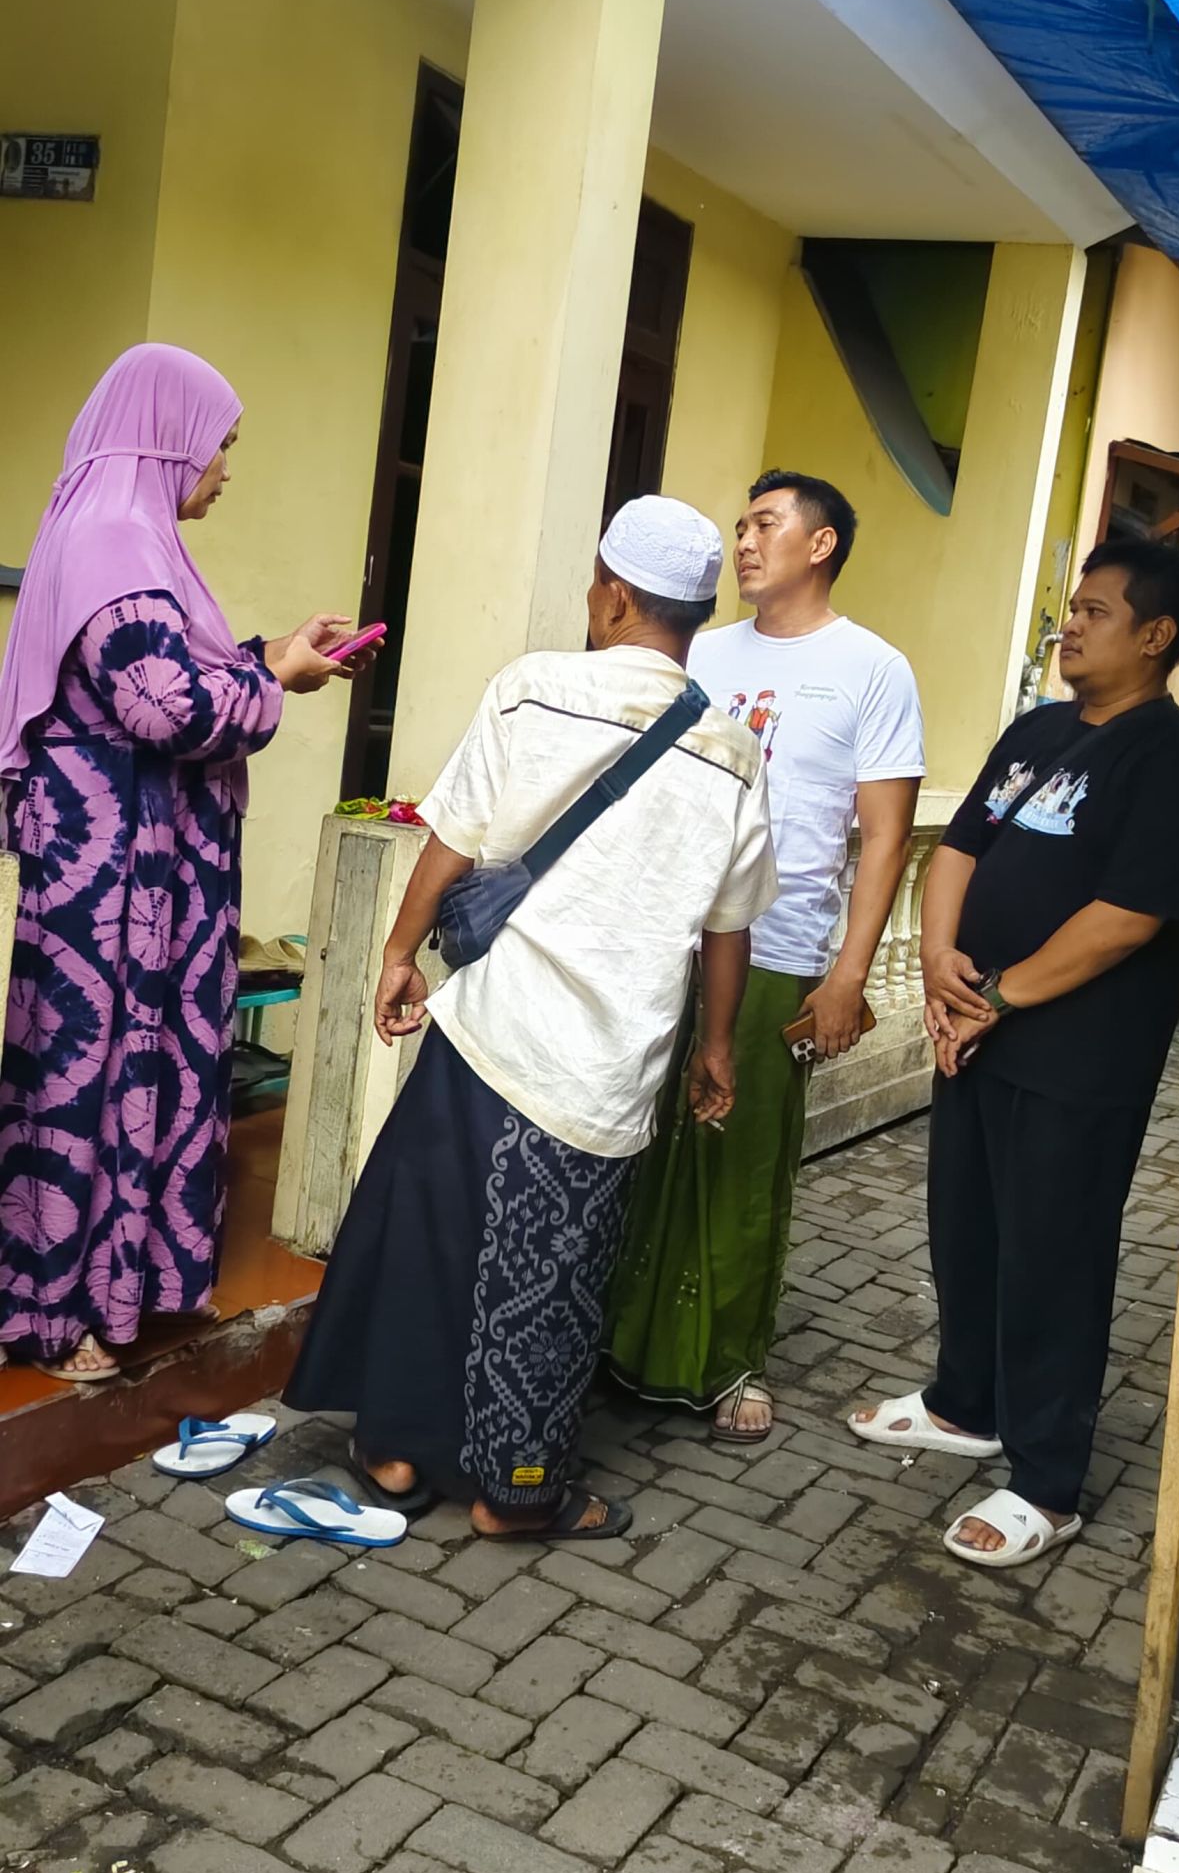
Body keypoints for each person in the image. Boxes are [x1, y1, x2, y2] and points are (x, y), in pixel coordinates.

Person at [284, 495, 777, 1540]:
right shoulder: (732, 754)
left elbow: (451, 839)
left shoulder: (532, 690)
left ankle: (397, 1450)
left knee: (428, 1240)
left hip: (491, 1032)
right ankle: (516, 1491)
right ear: (689, 616)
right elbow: (726, 933)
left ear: (611, 593)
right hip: (603, 1068)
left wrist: (396, 953)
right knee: (551, 1275)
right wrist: (718, 1048)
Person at [851, 537, 1179, 1568]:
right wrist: (938, 962)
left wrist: (1000, 997)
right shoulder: (1036, 729)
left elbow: (1131, 915)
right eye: (1072, 606)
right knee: (965, 1228)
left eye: (1095, 611)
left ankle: (1046, 1477)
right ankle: (964, 1403)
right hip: (974, 1027)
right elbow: (961, 847)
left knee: (1053, 1254)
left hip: (1076, 1051)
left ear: (1153, 636)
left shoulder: (1175, 757)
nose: (1070, 622)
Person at [0, 343, 364, 1382]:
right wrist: (269, 684)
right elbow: (163, 703)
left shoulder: (123, 537)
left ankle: (116, 1291)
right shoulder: (116, 538)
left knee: (124, 1064)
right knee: (90, 1071)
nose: (223, 467)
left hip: (138, 865)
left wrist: (267, 663)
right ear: (169, 438)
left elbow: (169, 672)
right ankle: (53, 1314)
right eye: (220, 445)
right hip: (113, 873)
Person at [606, 468, 923, 1441]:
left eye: (764, 524)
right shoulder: (698, 652)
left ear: (819, 544)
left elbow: (884, 833)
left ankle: (728, 1363)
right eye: (739, 526)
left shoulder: (872, 669)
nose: (742, 542)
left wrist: (845, 975)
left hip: (779, 949)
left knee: (740, 1157)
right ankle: (614, 1344)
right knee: (635, 1143)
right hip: (666, 940)